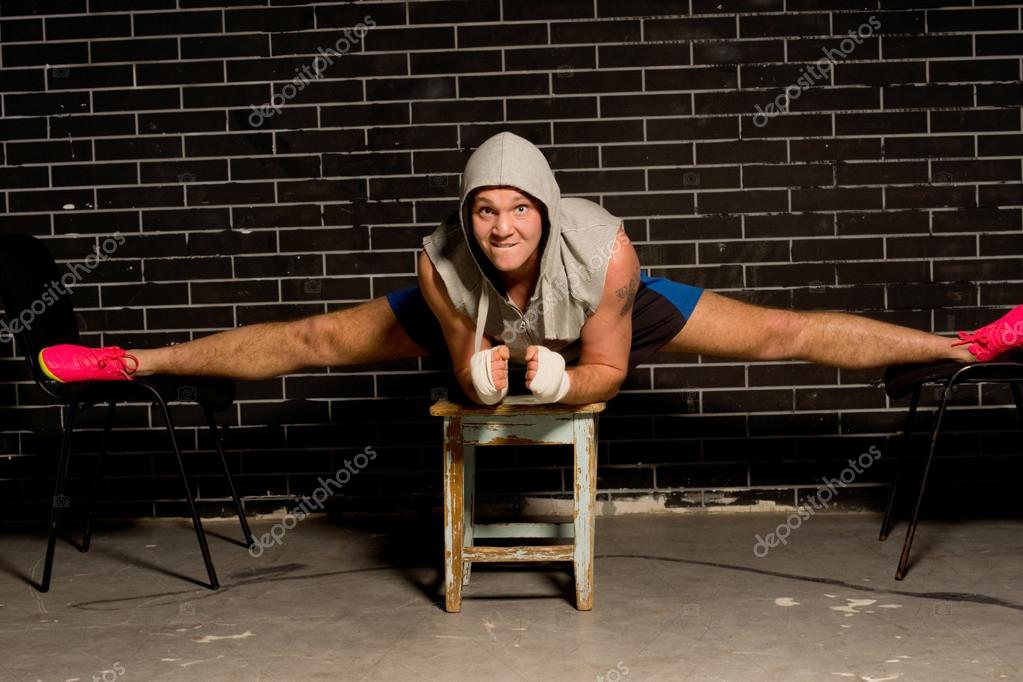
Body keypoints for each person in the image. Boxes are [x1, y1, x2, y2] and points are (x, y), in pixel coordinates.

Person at [36, 132, 1023, 406]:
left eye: (518, 209)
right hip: (480, 329)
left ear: (546, 214)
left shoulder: (606, 254)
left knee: (778, 332)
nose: (501, 224)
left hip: (592, 316)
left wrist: (561, 375)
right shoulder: (441, 264)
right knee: (313, 340)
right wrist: (496, 375)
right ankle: (132, 363)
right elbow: (469, 372)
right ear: (467, 219)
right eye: (484, 209)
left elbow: (609, 373)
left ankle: (961, 346)